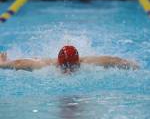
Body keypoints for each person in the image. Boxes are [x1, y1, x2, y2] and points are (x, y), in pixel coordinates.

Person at [0, 45, 139, 72]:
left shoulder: (89, 62)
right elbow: (19, 63)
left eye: (71, 67)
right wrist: (2, 63)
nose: (68, 72)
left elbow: (113, 60)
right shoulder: (43, 65)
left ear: (78, 62)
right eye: (65, 67)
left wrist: (132, 65)